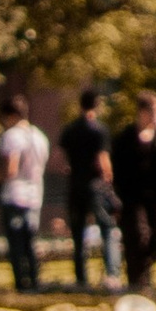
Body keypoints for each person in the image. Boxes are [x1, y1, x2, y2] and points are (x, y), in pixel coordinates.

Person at [113, 94, 156, 289]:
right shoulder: (126, 137)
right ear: (142, 112)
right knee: (138, 238)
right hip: (132, 198)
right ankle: (137, 283)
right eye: (154, 111)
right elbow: (118, 168)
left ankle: (142, 274)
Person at [0, 92, 49, 293]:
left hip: (14, 195)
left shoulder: (12, 136)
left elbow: (11, 169)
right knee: (30, 241)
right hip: (35, 195)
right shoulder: (40, 137)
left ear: (10, 116)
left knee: (16, 243)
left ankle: (21, 283)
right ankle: (34, 280)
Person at [61, 89, 112, 289]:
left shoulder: (70, 130)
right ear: (97, 105)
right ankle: (111, 272)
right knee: (106, 229)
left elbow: (60, 160)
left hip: (75, 185)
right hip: (95, 186)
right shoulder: (99, 130)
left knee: (77, 233)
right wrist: (108, 178)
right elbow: (102, 160)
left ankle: (80, 277)